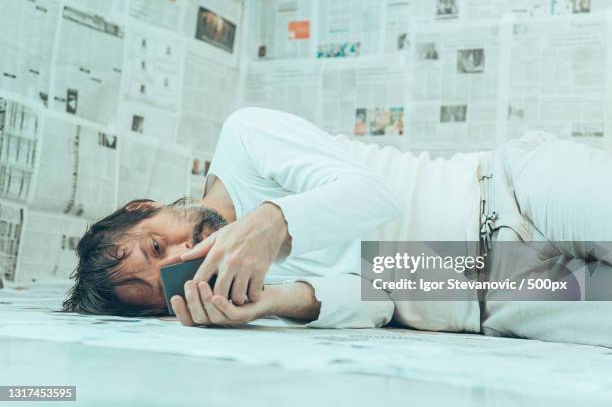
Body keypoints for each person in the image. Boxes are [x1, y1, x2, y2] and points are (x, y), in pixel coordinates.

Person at [63, 107, 612, 347]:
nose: (182, 254)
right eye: (165, 285)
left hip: (513, 190)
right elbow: (375, 302)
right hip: (492, 296)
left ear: (144, 206)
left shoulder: (246, 140)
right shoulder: (240, 290)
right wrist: (271, 303)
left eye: (157, 243)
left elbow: (375, 194)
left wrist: (272, 222)